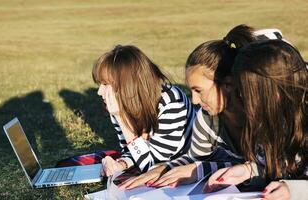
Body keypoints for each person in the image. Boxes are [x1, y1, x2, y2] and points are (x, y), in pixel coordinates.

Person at [119, 25, 291, 190]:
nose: (194, 101)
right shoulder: (206, 118)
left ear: (228, 84)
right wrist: (164, 168)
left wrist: (199, 170)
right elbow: (194, 158)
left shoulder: (263, 113)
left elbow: (272, 168)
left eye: (198, 90)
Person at [206, 40, 308, 200]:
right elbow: (278, 169)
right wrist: (248, 172)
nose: (240, 98)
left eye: (246, 92)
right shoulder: (268, 119)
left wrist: (293, 190)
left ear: (274, 92)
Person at [92, 45, 195, 176]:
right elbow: (133, 150)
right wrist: (120, 164)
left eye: (105, 84)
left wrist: (122, 121)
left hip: (192, 162)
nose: (99, 92)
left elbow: (152, 166)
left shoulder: (171, 102)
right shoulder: (118, 106)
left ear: (128, 84)